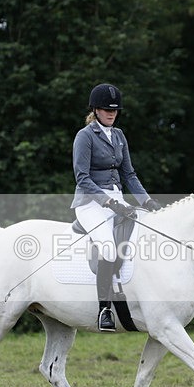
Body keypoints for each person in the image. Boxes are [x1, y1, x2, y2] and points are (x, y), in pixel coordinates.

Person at [71, 83, 162, 331]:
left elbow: (129, 174)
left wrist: (146, 201)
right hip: (91, 202)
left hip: (117, 200)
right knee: (109, 249)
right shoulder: (85, 136)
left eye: (115, 110)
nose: (111, 113)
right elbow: (82, 178)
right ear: (96, 110)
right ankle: (104, 311)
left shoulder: (119, 136)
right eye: (105, 109)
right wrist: (108, 202)